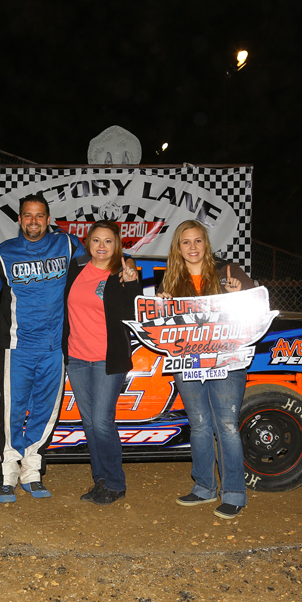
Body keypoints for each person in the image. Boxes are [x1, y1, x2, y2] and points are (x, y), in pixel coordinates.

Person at [0, 194, 83, 503]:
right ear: (20, 220)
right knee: (11, 413)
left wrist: (125, 266)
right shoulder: (5, 253)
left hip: (54, 348)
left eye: (39, 215)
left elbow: (103, 260)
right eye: (27, 215)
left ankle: (32, 469)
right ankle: (7, 472)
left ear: (48, 220)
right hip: (17, 348)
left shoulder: (68, 245)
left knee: (46, 413)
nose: (33, 220)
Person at [157, 221, 255, 520]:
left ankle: (234, 493)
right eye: (186, 242)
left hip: (226, 360)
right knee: (199, 424)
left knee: (225, 424)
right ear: (178, 247)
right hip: (188, 362)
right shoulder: (170, 281)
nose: (193, 247)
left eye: (198, 241)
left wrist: (242, 293)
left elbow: (255, 313)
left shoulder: (229, 272)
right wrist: (161, 307)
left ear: (206, 244)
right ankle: (203, 487)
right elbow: (161, 328)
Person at [61, 221, 141, 506]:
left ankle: (116, 483)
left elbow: (134, 310)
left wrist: (132, 281)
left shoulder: (123, 274)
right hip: (77, 358)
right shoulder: (76, 270)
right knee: (90, 423)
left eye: (108, 241)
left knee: (102, 421)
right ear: (88, 243)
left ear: (116, 244)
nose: (102, 246)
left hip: (108, 359)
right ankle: (101, 481)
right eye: (96, 240)